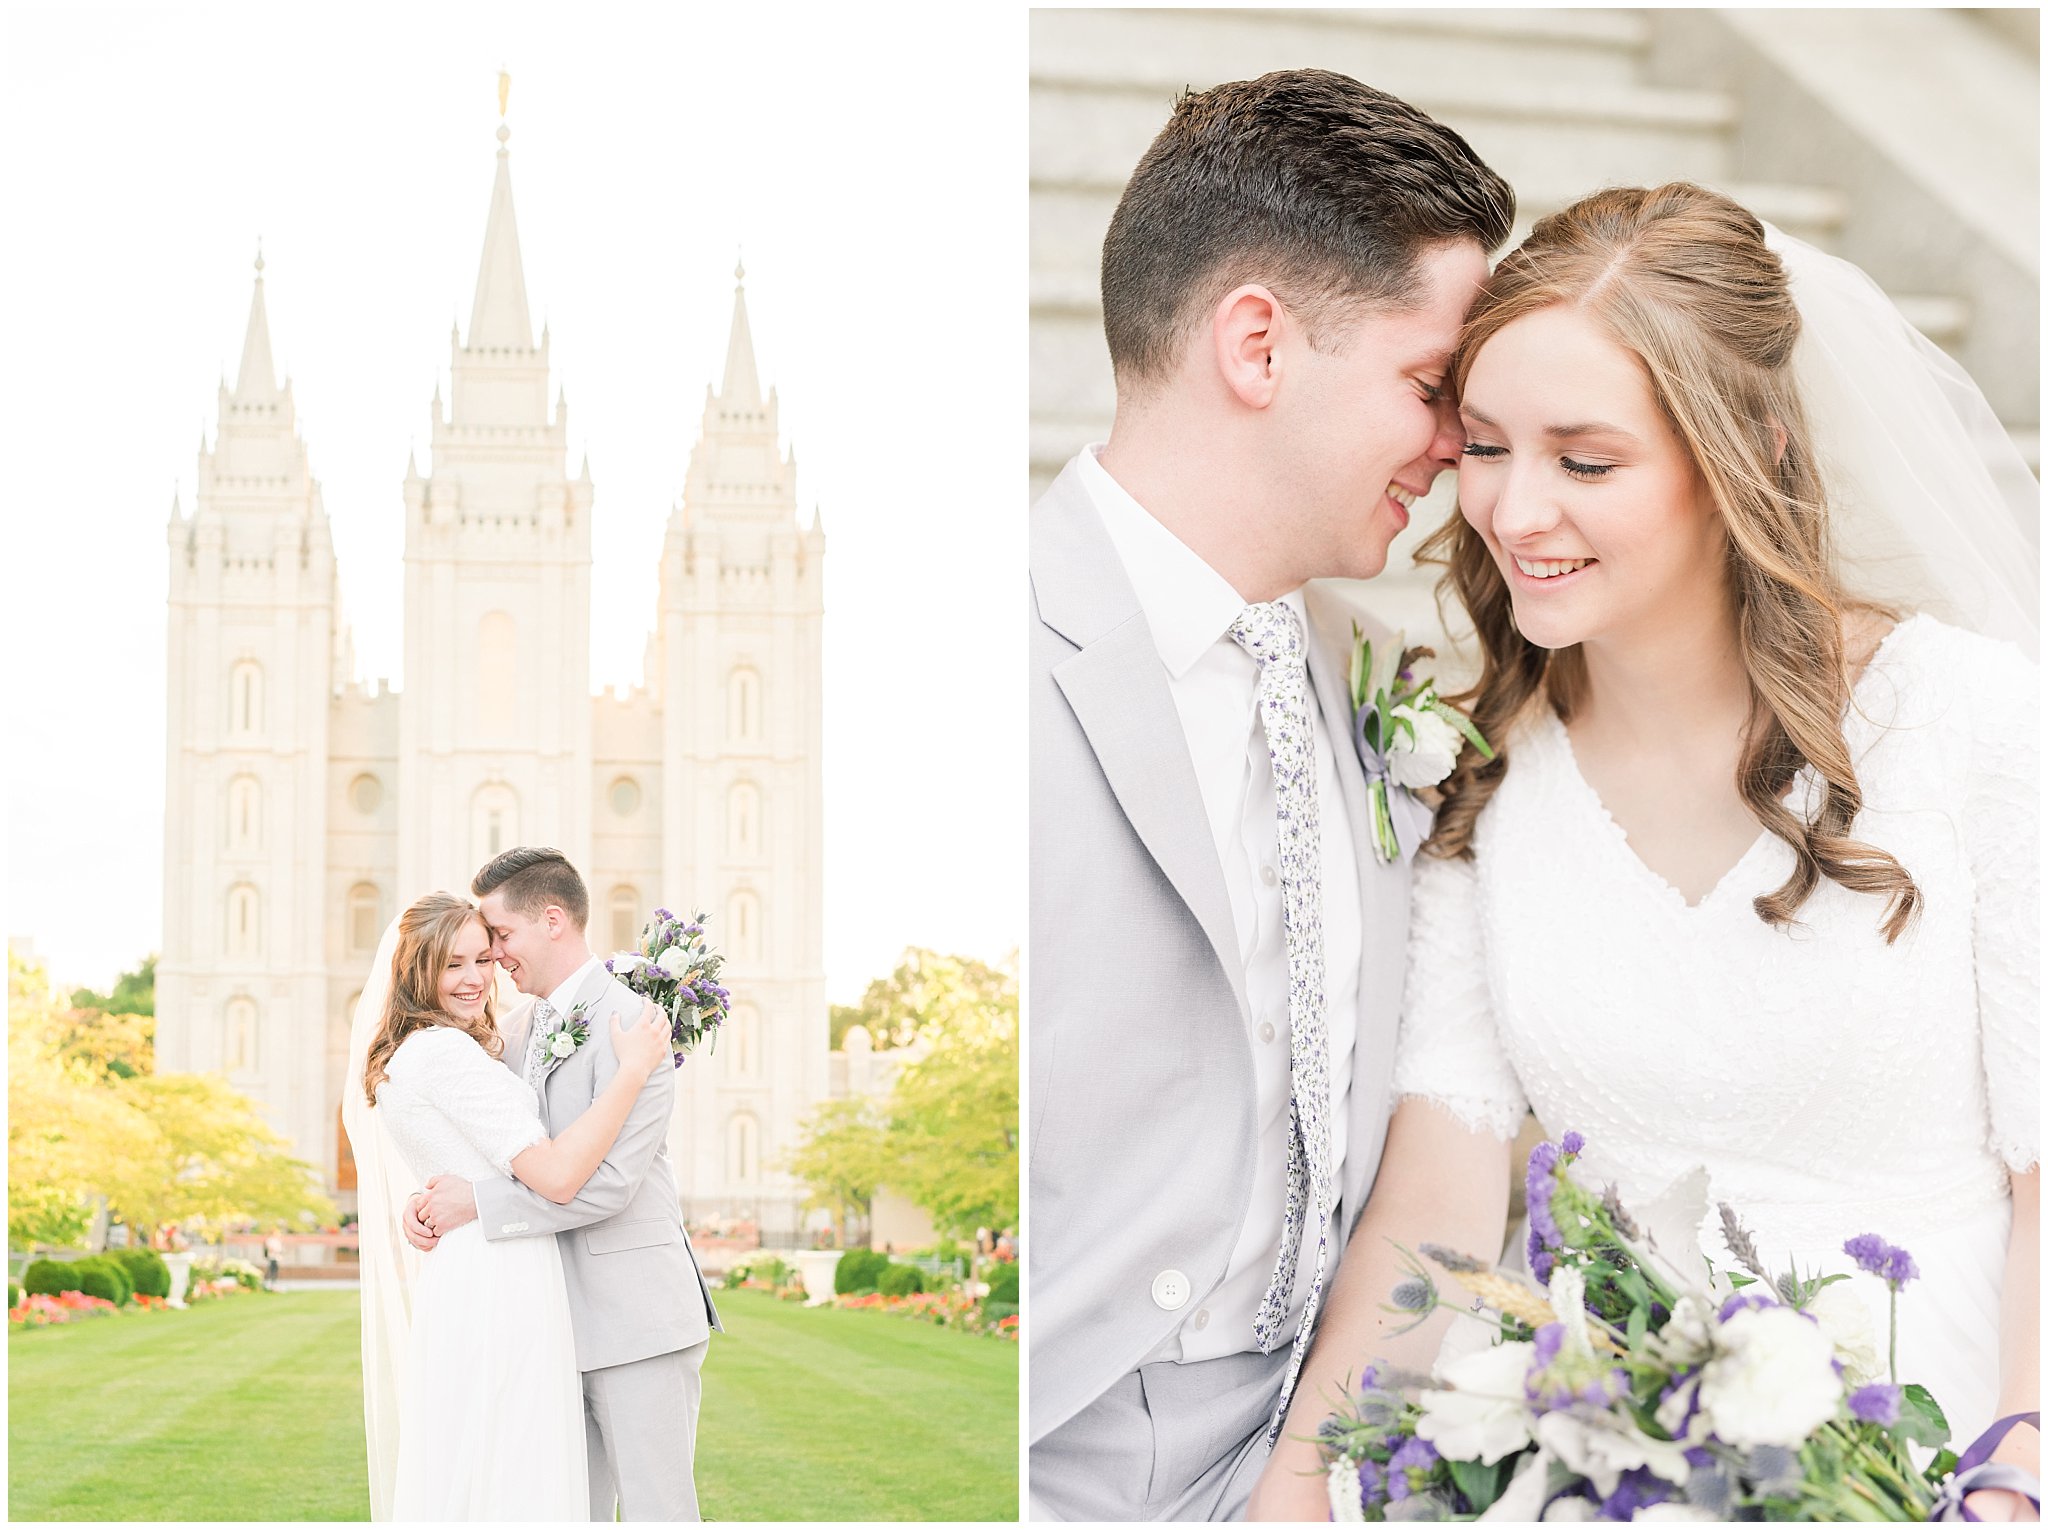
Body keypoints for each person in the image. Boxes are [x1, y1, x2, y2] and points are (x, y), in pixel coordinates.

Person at [1250, 182, 2038, 1519]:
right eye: (1486, 445)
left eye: (1586, 459)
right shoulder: (1481, 772)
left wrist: (2017, 1479)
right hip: (1606, 1456)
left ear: (1752, 454)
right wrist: (1303, 1470)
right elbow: (1438, 1195)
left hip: (1955, 1430)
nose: (1513, 510)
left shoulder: (1972, 720)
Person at [1028, 67, 1514, 1520]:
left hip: (1323, 1455)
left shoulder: (1386, 686)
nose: (1456, 451)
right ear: (1259, 345)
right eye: (1432, 388)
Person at [405, 847, 723, 1522]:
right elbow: (492, 1147)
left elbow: (609, 1186)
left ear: (552, 921)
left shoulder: (639, 1027)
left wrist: (477, 1207)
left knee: (655, 1512)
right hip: (537, 1324)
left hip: (635, 1321)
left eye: (499, 937)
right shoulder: (512, 1030)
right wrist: (429, 1202)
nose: (492, 958)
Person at [349, 890, 669, 1520]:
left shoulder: (420, 1050)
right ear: (417, 971)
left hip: (475, 1268)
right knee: (516, 1468)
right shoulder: (443, 1052)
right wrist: (631, 1071)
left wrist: (445, 1199)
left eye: (482, 958)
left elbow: (457, 1159)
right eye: (451, 964)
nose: (474, 978)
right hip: (501, 1273)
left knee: (480, 1458)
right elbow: (552, 1175)